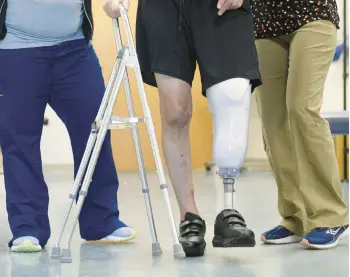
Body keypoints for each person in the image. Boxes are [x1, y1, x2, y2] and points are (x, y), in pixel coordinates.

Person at [106, 0, 262, 257]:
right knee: (175, 113)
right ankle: (189, 215)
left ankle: (229, 210)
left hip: (221, 6)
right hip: (164, 8)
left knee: (232, 96)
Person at [0, 0, 135, 253]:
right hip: (14, 48)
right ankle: (28, 226)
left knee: (95, 127)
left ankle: (101, 221)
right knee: (18, 138)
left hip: (74, 48)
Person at [252, 0, 349, 249]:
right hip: (264, 23)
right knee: (273, 121)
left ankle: (331, 215)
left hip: (311, 13)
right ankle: (295, 216)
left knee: (301, 110)